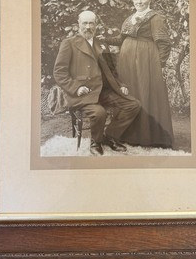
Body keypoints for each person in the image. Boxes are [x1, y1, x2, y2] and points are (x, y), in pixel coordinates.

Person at [53, 10, 141, 156]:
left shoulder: (101, 43)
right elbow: (59, 72)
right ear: (78, 24)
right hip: (83, 93)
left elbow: (112, 70)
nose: (88, 27)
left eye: (91, 23)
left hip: (104, 91)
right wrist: (76, 87)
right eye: (85, 23)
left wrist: (121, 85)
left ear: (96, 25)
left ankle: (110, 137)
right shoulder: (69, 43)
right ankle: (96, 142)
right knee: (99, 113)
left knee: (133, 105)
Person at [107, 0, 174, 148]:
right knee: (130, 93)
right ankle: (127, 134)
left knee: (145, 93)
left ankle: (149, 136)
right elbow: (121, 39)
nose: (140, 2)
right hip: (127, 62)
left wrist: (161, 65)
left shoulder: (156, 18)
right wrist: (105, 38)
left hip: (146, 62)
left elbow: (163, 43)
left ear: (149, 0)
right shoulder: (130, 18)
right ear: (133, 0)